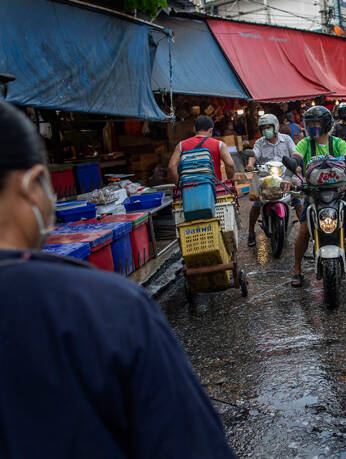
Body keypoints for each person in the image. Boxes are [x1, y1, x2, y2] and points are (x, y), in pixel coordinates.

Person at [0, 100, 235, 458]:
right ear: (33, 186)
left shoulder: (180, 147)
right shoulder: (108, 307)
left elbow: (172, 169)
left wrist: (179, 185)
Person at [290, 105, 346, 287]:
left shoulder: (338, 143)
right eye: (310, 124)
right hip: (313, 194)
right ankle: (297, 270)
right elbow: (296, 157)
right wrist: (293, 165)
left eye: (316, 123)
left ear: (325, 124)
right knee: (303, 231)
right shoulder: (305, 143)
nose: (312, 127)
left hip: (340, 192)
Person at [246, 113, 303, 247]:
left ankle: (306, 231)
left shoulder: (286, 139)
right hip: (266, 177)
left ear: (275, 126)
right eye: (263, 128)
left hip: (285, 176)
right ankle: (251, 233)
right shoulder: (260, 143)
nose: (266, 130)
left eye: (269, 127)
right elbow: (254, 155)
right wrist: (250, 164)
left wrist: (297, 166)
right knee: (256, 204)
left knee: (297, 200)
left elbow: (294, 154)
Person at [167, 114, 235, 183]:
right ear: (211, 130)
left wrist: (178, 184)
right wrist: (230, 179)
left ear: (195, 129)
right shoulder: (220, 145)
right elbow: (230, 164)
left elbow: (171, 166)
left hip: (189, 189)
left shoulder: (181, 145)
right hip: (214, 188)